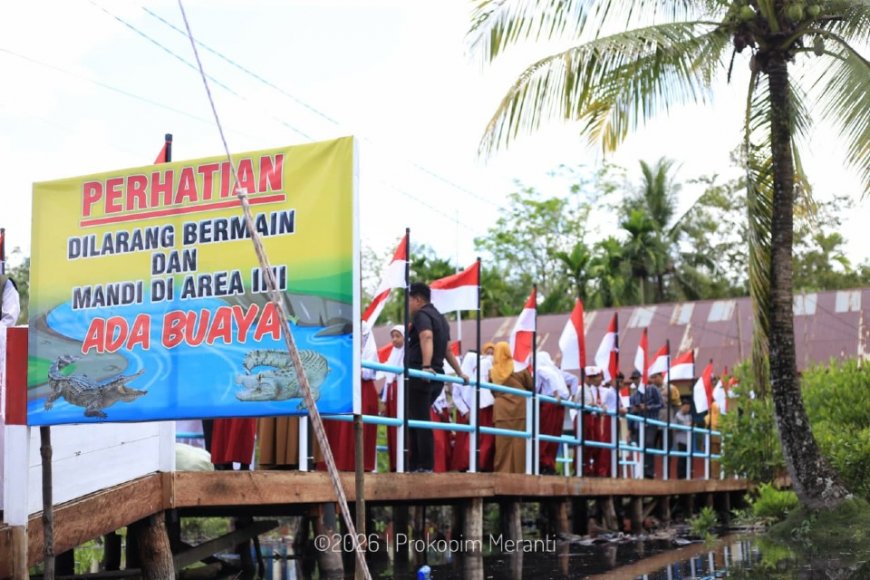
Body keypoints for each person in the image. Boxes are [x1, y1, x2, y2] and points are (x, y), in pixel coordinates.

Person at [407, 282, 467, 472]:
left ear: (417, 299)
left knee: (418, 420)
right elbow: (448, 349)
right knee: (416, 418)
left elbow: (426, 337)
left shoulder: (421, 315)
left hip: (422, 373)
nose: (408, 305)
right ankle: (417, 465)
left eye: (409, 301)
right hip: (438, 375)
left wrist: (425, 366)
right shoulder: (440, 318)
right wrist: (459, 372)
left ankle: (423, 466)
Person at [315, 320, 380, 471]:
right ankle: (332, 465)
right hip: (341, 387)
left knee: (356, 427)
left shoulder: (367, 349)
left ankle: (354, 466)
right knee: (336, 426)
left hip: (362, 389)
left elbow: (367, 372)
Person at [491, 342, 533, 473]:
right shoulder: (520, 367)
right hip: (520, 408)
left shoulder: (492, 371)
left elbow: (492, 391)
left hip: (501, 410)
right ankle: (520, 472)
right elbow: (530, 386)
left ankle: (502, 472)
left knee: (502, 443)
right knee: (520, 442)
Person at [535, 351, 569, 475]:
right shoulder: (555, 369)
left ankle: (544, 463)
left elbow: (539, 385)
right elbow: (571, 379)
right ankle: (550, 464)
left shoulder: (541, 369)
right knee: (554, 435)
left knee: (546, 433)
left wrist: (555, 393)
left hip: (549, 402)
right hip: (560, 403)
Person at [377, 325, 405, 472]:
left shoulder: (408, 353)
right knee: (393, 428)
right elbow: (388, 378)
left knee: (402, 426)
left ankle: (404, 463)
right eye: (392, 336)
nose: (394, 339)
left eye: (397, 336)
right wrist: (384, 399)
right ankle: (395, 464)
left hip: (402, 393)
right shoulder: (393, 354)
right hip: (393, 396)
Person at [580, 366, 605, 476]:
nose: (594, 379)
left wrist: (597, 406)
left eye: (594, 376)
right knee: (586, 445)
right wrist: (594, 405)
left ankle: (590, 469)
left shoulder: (589, 389)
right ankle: (583, 469)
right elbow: (578, 403)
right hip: (584, 418)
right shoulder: (582, 389)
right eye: (592, 377)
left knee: (593, 446)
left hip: (591, 418)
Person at [640, 371, 665, 478]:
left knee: (649, 444)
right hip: (640, 422)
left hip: (652, 421)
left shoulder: (653, 388)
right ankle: (642, 471)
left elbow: (661, 404)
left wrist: (648, 407)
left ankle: (649, 472)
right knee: (641, 446)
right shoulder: (639, 390)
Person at [674, 400, 693, 479]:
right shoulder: (677, 415)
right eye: (686, 407)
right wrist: (684, 426)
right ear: (682, 406)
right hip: (681, 440)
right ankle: (681, 475)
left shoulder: (689, 416)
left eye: (689, 407)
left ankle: (688, 474)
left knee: (688, 458)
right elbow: (675, 427)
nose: (687, 409)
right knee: (682, 458)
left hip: (688, 440)